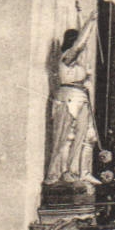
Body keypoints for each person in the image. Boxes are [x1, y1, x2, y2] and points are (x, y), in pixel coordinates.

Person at [46, 16, 97, 184]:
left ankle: (72, 171)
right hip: (68, 97)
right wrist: (89, 23)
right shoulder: (66, 57)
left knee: (80, 136)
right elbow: (80, 46)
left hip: (81, 97)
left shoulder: (80, 66)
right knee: (64, 136)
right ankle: (56, 173)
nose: (83, 51)